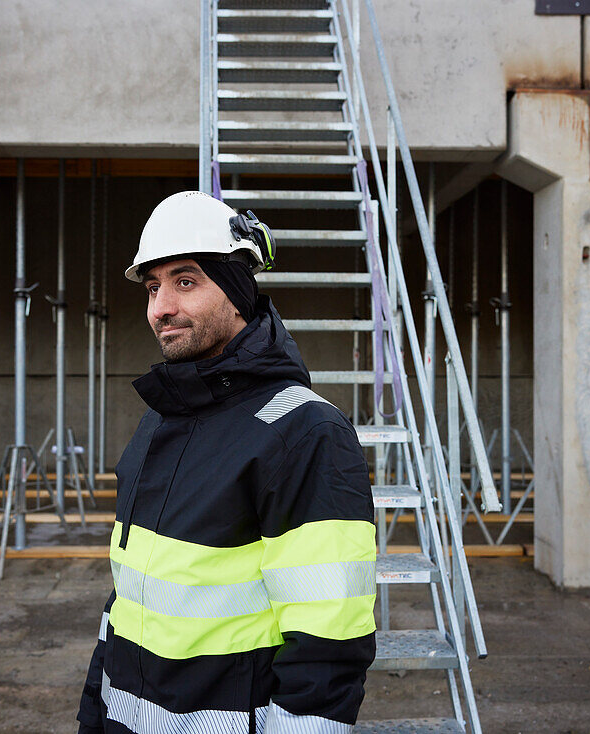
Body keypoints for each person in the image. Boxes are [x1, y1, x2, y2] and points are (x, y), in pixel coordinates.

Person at [76, 191, 377, 734]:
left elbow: (328, 642)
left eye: (185, 281)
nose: (160, 306)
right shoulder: (161, 421)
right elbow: (129, 599)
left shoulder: (304, 432)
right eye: (152, 287)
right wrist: (95, 712)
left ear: (237, 294)